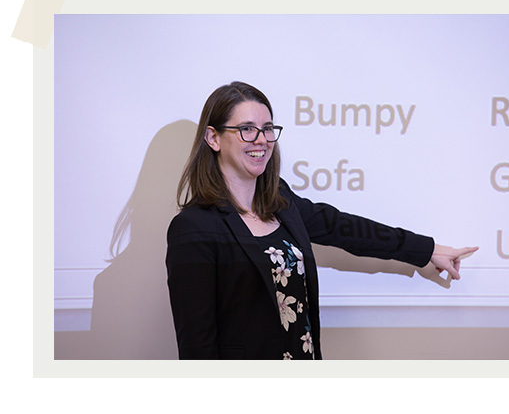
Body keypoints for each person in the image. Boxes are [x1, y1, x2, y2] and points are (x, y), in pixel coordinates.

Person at [165, 81, 478, 360]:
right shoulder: (194, 228)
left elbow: (344, 228)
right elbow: (197, 347)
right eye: (247, 129)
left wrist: (428, 250)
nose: (261, 140)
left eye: (268, 128)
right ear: (214, 138)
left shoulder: (281, 203)